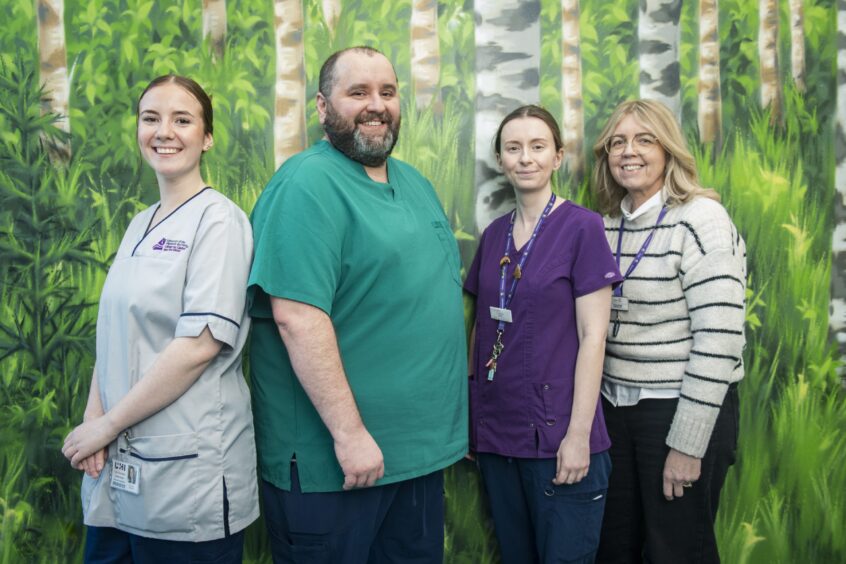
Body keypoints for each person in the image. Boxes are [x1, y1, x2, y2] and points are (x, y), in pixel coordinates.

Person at [247, 46, 467, 563]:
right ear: (322, 108)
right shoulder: (306, 185)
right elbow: (297, 317)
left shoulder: (416, 183)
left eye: (387, 92)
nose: (376, 105)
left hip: (417, 460)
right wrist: (350, 437)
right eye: (358, 92)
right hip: (340, 467)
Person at [61, 75, 258, 563]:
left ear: (206, 137)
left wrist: (105, 428)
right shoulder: (139, 223)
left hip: (185, 480)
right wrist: (93, 422)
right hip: (117, 473)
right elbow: (114, 335)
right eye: (151, 118)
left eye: (182, 119)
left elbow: (198, 347)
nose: (163, 131)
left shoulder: (220, 221)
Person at [464, 105, 623, 564]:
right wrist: (477, 423)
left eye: (538, 147)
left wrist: (577, 436)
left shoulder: (582, 228)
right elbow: (482, 328)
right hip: (498, 440)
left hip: (559, 441)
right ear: (500, 159)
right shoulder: (494, 236)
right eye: (513, 148)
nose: (525, 158)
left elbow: (594, 337)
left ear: (557, 157)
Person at [592, 99, 746, 563]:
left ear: (669, 150)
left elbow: (719, 342)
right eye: (618, 141)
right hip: (615, 411)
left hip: (678, 410)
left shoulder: (701, 220)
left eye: (644, 139)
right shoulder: (604, 224)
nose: (628, 151)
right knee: (615, 548)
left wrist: (688, 442)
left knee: (676, 550)